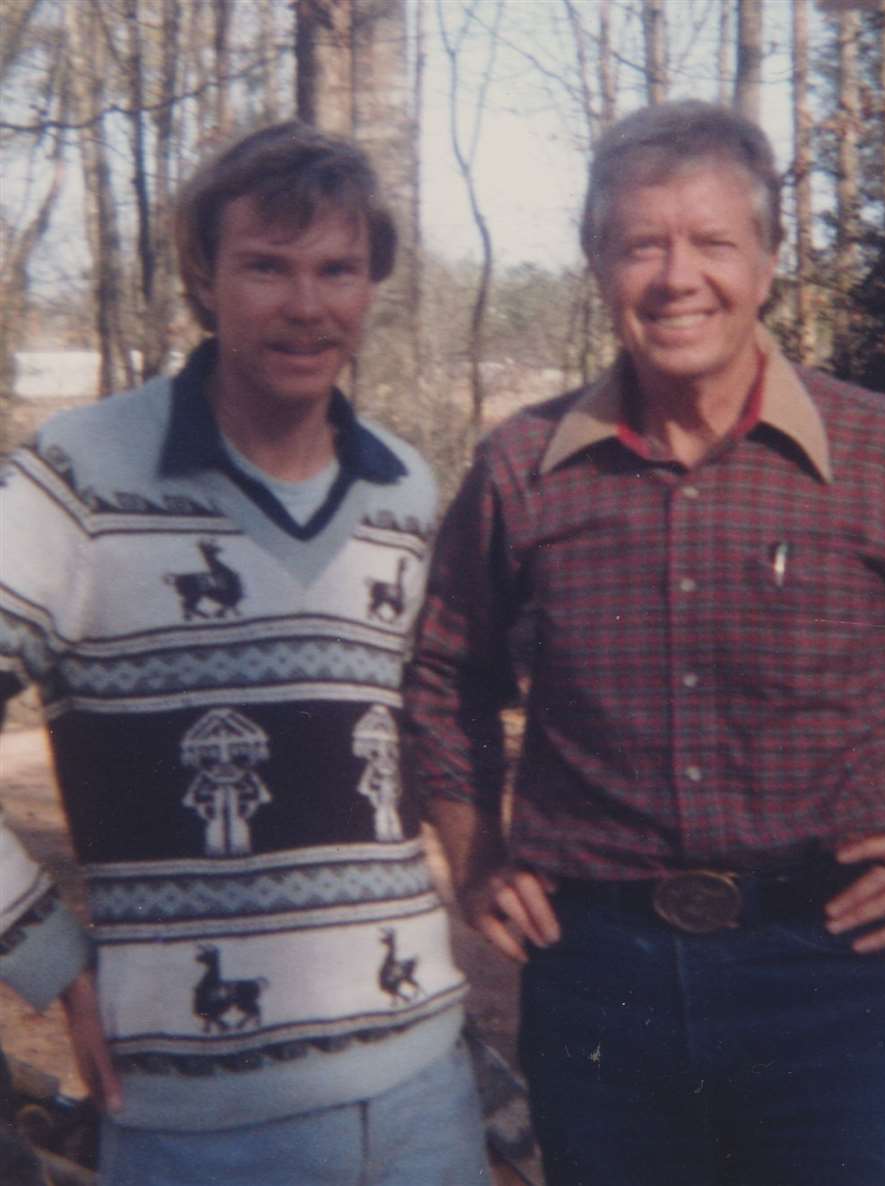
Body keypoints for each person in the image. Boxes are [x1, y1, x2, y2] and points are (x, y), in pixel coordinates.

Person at [405, 100, 885, 1186]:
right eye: (642, 244)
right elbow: (445, 675)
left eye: (715, 241)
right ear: (597, 263)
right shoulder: (520, 467)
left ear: (767, 262)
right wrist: (475, 856)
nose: (680, 277)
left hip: (829, 978)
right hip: (596, 986)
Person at [0, 121, 491, 1186]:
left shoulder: (403, 491)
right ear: (204, 278)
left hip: (422, 1095)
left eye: (337, 269)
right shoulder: (84, 473)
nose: (305, 306)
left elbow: (423, 732)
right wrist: (45, 954)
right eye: (266, 267)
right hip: (199, 1120)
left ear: (372, 286)